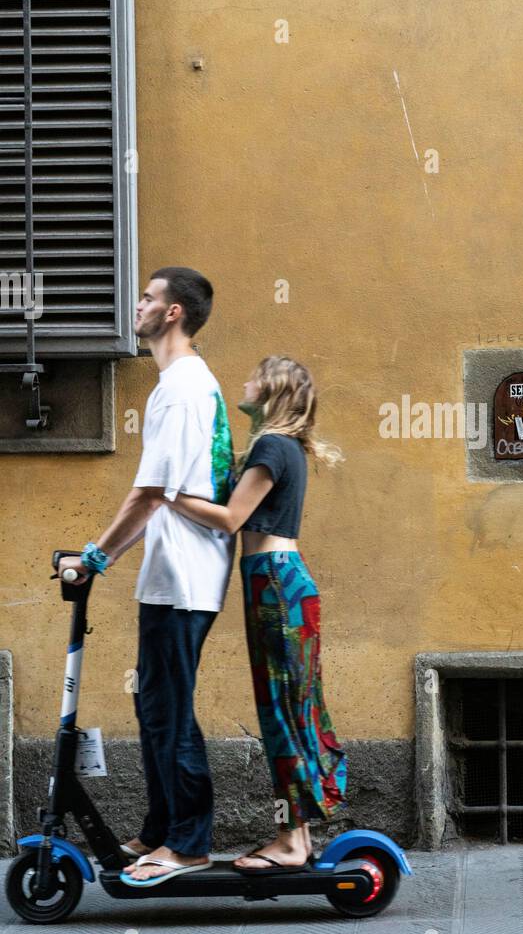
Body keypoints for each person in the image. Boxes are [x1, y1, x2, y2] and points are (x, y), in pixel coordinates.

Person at [58, 267, 235, 886]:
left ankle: (190, 842)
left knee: (169, 710)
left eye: (148, 298)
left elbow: (149, 494)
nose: (136, 306)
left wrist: (94, 558)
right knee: (155, 705)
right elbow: (156, 499)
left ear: (173, 314)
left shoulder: (183, 388)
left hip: (184, 579)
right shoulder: (178, 384)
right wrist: (101, 560)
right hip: (172, 575)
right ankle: (162, 831)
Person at [164, 354, 350, 870]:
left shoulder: (272, 446)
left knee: (282, 713)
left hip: (274, 584)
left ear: (271, 391)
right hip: (279, 582)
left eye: (252, 377)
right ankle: (298, 836)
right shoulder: (279, 446)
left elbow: (228, 519)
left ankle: (291, 842)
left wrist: (166, 494)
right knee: (291, 708)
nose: (241, 382)